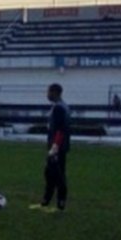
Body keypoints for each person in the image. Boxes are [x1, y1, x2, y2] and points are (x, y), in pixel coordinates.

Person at [31, 83, 71, 213]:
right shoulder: (60, 107)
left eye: (48, 92)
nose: (47, 94)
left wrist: (55, 147)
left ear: (55, 93)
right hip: (58, 147)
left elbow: (60, 130)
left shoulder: (59, 108)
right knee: (50, 174)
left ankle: (60, 205)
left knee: (58, 175)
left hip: (57, 147)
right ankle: (45, 203)